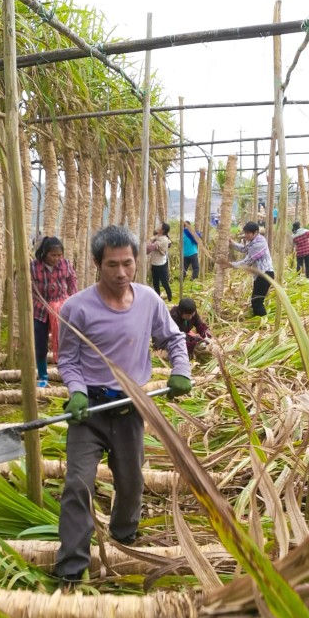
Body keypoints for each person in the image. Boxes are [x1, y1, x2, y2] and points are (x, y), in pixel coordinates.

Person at [55, 224, 192, 585]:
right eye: (112, 265)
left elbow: (173, 339)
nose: (121, 273)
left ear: (137, 262)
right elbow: (67, 359)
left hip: (132, 408)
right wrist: (76, 390)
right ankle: (71, 568)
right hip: (89, 413)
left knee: (130, 482)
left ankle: (124, 534)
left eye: (128, 264)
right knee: (78, 485)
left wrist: (181, 369)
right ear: (97, 264)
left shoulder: (149, 300)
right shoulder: (76, 307)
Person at [30, 236, 77, 387]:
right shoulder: (33, 267)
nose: (57, 258)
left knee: (65, 341)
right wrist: (34, 303)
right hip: (40, 310)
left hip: (61, 309)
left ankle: (66, 372)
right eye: (53, 255)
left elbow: (72, 281)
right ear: (44, 253)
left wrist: (72, 299)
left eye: (59, 255)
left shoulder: (65, 264)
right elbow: (24, 289)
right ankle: (43, 376)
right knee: (40, 342)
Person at [225, 221, 274, 317]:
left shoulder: (259, 243)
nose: (245, 235)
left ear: (255, 232)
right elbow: (245, 249)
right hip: (260, 275)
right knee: (255, 300)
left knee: (257, 302)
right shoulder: (255, 241)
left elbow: (247, 261)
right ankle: (259, 322)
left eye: (248, 233)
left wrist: (230, 265)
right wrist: (232, 243)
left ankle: (262, 323)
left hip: (265, 274)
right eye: (245, 233)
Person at [147, 221, 172, 301]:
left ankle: (169, 297)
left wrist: (149, 241)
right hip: (154, 263)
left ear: (163, 230)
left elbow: (149, 249)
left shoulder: (163, 239)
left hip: (161, 265)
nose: (158, 226)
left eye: (160, 226)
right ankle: (157, 298)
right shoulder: (157, 236)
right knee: (155, 283)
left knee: (164, 282)